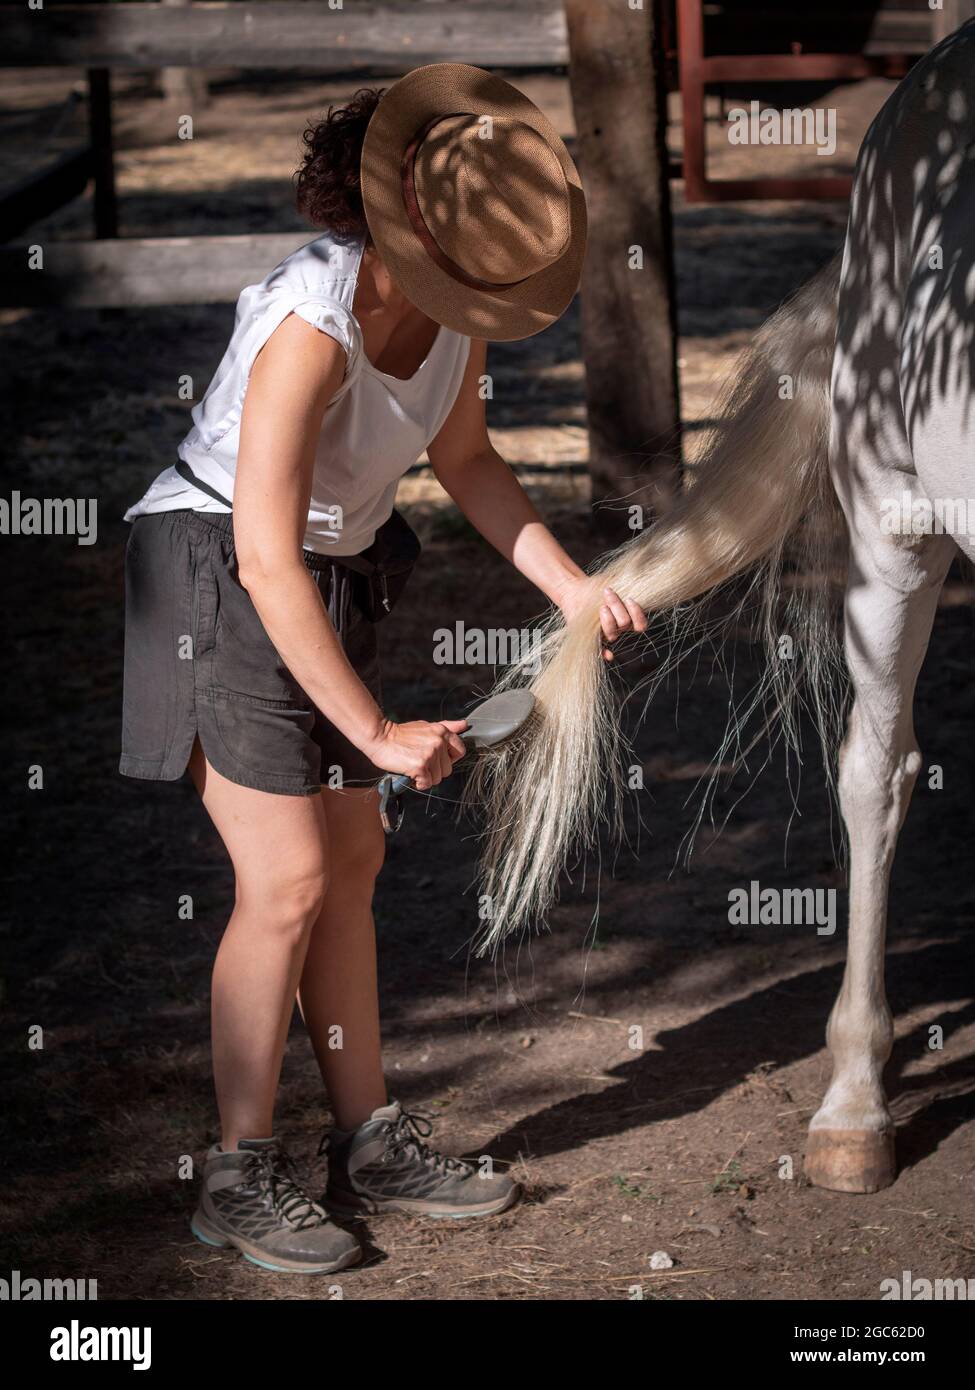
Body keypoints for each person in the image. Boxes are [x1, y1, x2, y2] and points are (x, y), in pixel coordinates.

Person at [120, 62, 648, 1274]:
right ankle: (238, 1172)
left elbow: (466, 460)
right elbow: (259, 551)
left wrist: (574, 588)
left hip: (326, 575)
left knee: (350, 857)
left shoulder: (455, 318)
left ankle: (369, 1141)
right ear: (406, 230)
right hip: (212, 567)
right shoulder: (308, 327)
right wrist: (372, 730)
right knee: (288, 877)